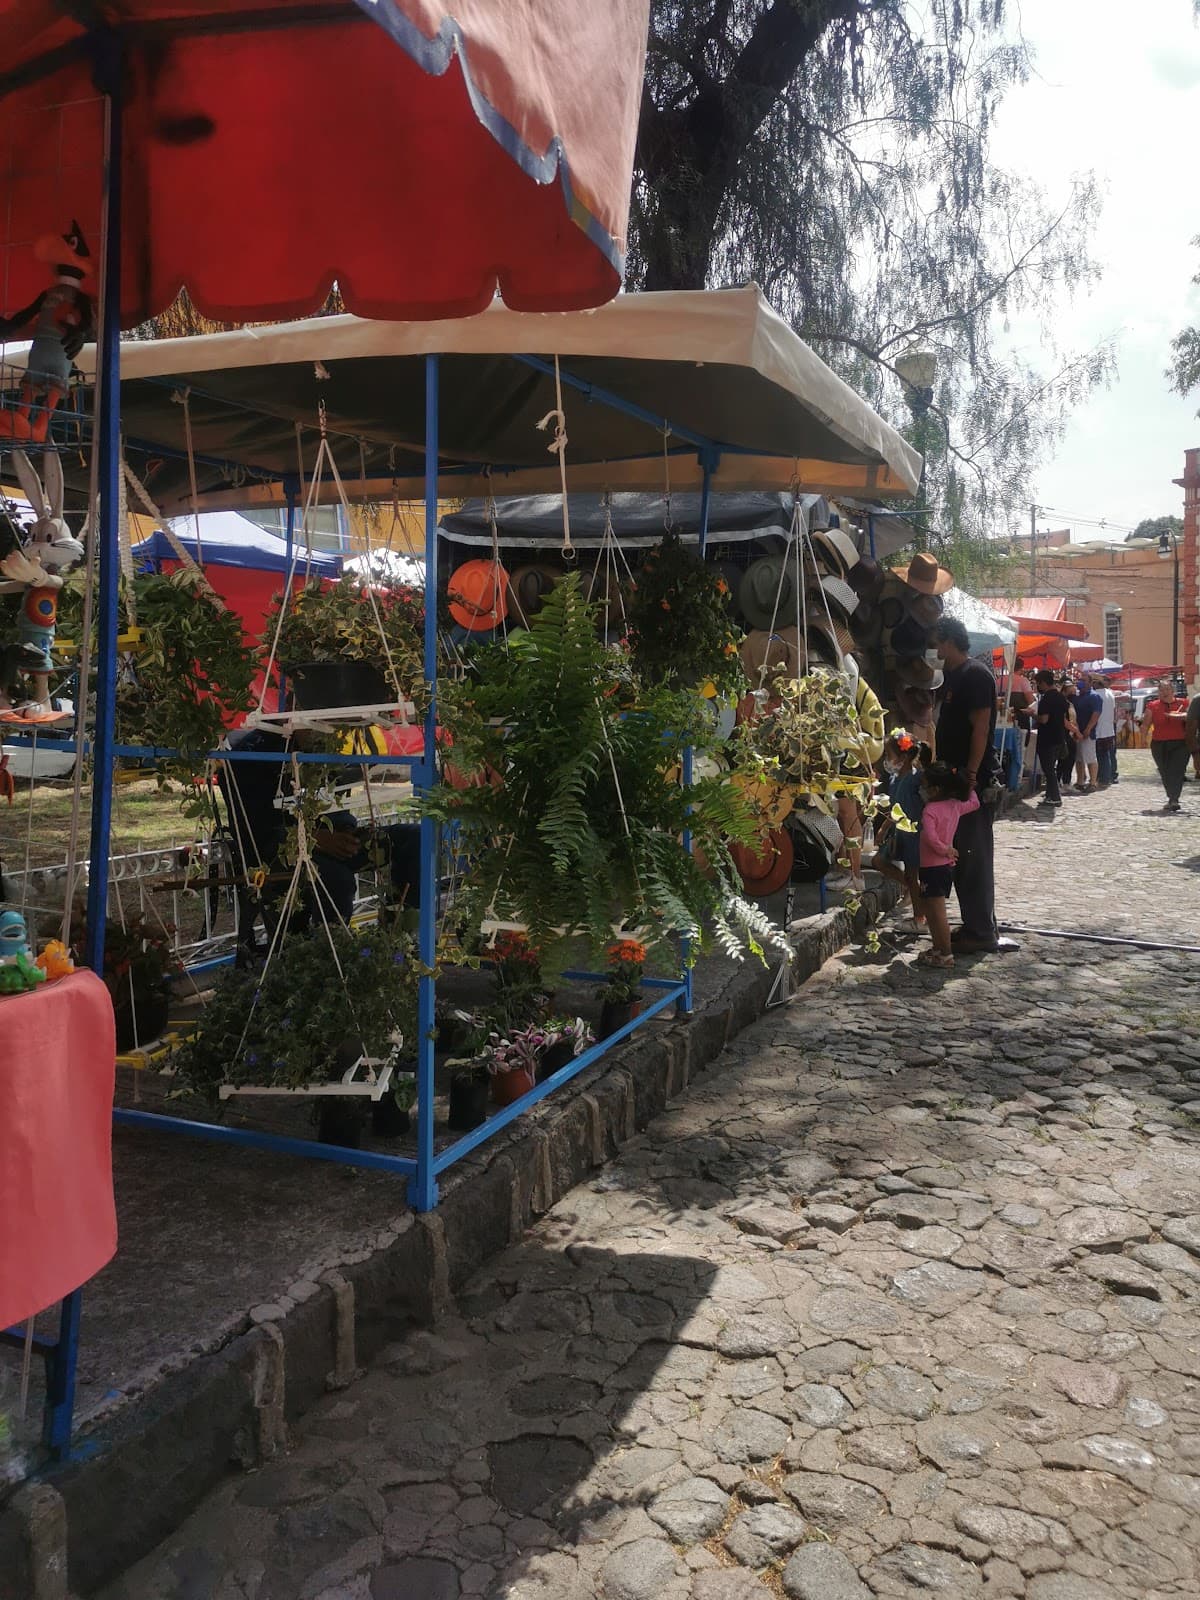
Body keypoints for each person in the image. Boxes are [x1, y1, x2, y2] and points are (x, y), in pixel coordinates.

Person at [933, 616, 998, 952]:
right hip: (954, 778)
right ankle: (975, 923)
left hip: (969, 780)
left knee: (973, 855)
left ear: (948, 640)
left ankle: (981, 931)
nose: (935, 648)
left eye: (937, 641)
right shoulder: (953, 676)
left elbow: (981, 729)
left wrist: (971, 776)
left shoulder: (974, 675)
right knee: (961, 855)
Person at [915, 760, 979, 969]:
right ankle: (938, 948)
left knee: (937, 913)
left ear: (935, 789)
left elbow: (931, 839)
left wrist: (945, 849)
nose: (922, 790)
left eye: (925, 786)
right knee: (934, 911)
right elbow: (974, 803)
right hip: (944, 867)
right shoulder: (954, 806)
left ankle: (946, 953)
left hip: (932, 866)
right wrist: (970, 786)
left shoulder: (930, 810)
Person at [872, 733, 925, 923]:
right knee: (879, 861)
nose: (887, 759)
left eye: (889, 755)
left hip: (914, 834)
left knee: (912, 875)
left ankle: (919, 918)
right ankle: (914, 891)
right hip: (899, 832)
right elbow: (896, 809)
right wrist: (884, 828)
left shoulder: (916, 778)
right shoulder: (895, 779)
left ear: (903, 758)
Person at [1141, 677, 1191, 813]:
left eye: (1167, 689)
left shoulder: (1184, 703)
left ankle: (1174, 799)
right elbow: (1146, 724)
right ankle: (1172, 797)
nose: (1165, 692)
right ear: (1158, 692)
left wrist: (1182, 716)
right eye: (1162, 690)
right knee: (1165, 771)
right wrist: (1143, 738)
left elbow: (1193, 718)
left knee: (1177, 771)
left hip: (1180, 743)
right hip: (1159, 743)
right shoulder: (1153, 705)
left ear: (1172, 690)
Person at [1033, 669, 1071, 809]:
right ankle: (1050, 795)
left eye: (1038, 683)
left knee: (1048, 769)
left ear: (1043, 683)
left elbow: (1044, 719)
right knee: (1051, 768)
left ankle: (1055, 797)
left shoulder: (1046, 699)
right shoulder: (1061, 697)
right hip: (1059, 736)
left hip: (1047, 738)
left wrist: (1032, 715)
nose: (1038, 686)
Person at [1071, 673, 1101, 792]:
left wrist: (1088, 728)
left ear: (1090, 682)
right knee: (1079, 758)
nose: (1080, 682)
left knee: (1090, 757)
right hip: (1077, 731)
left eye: (1083, 680)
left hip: (1088, 732)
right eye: (1079, 680)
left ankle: (1093, 782)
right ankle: (1080, 781)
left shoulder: (1094, 696)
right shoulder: (1077, 696)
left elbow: (1096, 714)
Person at [1092, 674, 1118, 788]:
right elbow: (1114, 710)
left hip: (1100, 729)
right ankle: (1108, 776)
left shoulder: (1096, 695)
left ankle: (1103, 778)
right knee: (1107, 754)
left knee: (1101, 755)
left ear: (1096, 683)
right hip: (1109, 729)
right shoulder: (1110, 693)